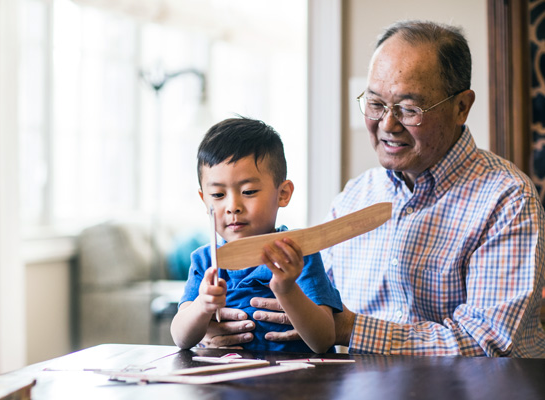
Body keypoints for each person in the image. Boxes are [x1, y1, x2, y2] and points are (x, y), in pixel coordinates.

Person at [198, 20, 545, 357]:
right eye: (376, 104)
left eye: (409, 109)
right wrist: (220, 328)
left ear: (461, 107)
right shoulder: (356, 195)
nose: (387, 124)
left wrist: (349, 327)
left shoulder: (507, 199)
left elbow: (491, 345)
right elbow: (313, 305)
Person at [170, 117, 343, 353]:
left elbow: (324, 340)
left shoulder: (298, 253)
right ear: (204, 200)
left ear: (283, 194)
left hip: (296, 383)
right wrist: (202, 305)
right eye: (218, 195)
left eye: (248, 191)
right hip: (225, 382)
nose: (232, 206)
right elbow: (180, 338)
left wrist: (287, 290)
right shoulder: (204, 261)